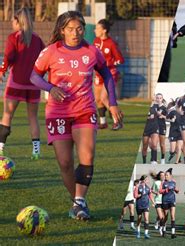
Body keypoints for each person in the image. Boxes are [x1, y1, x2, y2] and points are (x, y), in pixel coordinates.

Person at [30, 11, 123, 220]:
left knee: (87, 156)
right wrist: (50, 87)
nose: (75, 33)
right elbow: (34, 76)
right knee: (64, 163)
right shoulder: (51, 51)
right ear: (62, 30)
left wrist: (113, 105)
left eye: (79, 28)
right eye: (70, 29)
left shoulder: (92, 51)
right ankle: (78, 203)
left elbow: (106, 73)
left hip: (84, 110)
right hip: (57, 113)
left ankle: (79, 202)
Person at [0, 8, 44, 159]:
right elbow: (44, 58)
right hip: (34, 85)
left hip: (16, 84)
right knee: (33, 118)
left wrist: (2, 70)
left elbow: (9, 56)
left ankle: (0, 149)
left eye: (13, 21)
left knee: (7, 115)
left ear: (18, 21)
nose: (12, 23)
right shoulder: (37, 39)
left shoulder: (14, 37)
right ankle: (36, 152)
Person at [93, 19, 124, 130]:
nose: (94, 30)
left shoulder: (111, 43)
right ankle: (103, 122)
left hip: (110, 73)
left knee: (104, 98)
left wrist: (109, 63)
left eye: (97, 28)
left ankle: (118, 120)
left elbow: (120, 60)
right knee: (98, 99)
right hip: (98, 74)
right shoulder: (96, 41)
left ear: (104, 30)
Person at [141, 93, 167, 164]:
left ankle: (154, 160)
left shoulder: (158, 106)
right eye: (156, 97)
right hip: (146, 128)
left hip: (155, 127)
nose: (158, 99)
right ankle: (144, 161)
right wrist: (148, 117)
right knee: (145, 146)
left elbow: (165, 114)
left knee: (154, 144)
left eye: (160, 98)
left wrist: (161, 115)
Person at [159, 168, 179, 239]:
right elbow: (160, 191)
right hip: (165, 201)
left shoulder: (173, 182)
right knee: (165, 217)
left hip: (172, 201)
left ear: (170, 175)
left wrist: (176, 190)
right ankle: (164, 229)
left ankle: (173, 233)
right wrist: (166, 190)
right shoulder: (163, 183)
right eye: (165, 175)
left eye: (167, 175)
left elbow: (177, 190)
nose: (165, 176)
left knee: (173, 216)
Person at [134, 175, 154, 239]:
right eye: (146, 179)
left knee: (146, 218)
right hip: (139, 205)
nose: (148, 180)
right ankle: (138, 232)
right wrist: (139, 195)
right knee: (139, 218)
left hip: (146, 205)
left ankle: (146, 233)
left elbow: (150, 195)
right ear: (143, 180)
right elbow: (135, 195)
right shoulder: (138, 186)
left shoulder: (148, 187)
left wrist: (153, 202)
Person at [166, 98, 183, 164]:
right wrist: (171, 120)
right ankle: (173, 155)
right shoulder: (172, 110)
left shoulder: (184, 110)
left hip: (181, 131)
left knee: (179, 147)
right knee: (172, 150)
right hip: (173, 131)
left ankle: (177, 161)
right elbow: (166, 118)